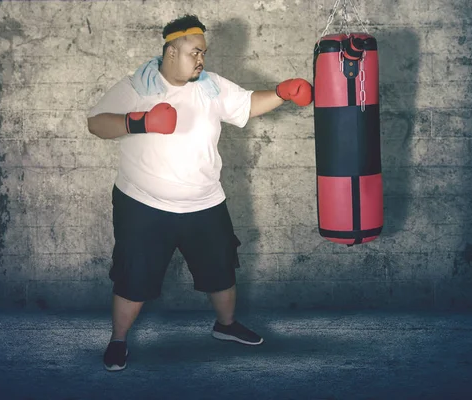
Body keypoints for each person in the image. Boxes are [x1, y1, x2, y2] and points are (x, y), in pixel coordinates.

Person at [87, 14, 313, 371]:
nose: (201, 59)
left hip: (205, 201)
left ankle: (226, 326)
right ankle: (118, 341)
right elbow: (96, 123)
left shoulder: (211, 86)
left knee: (221, 270)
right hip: (144, 203)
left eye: (203, 53)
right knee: (134, 276)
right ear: (171, 51)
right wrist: (140, 121)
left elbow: (248, 105)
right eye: (195, 52)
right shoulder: (136, 86)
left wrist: (283, 94)